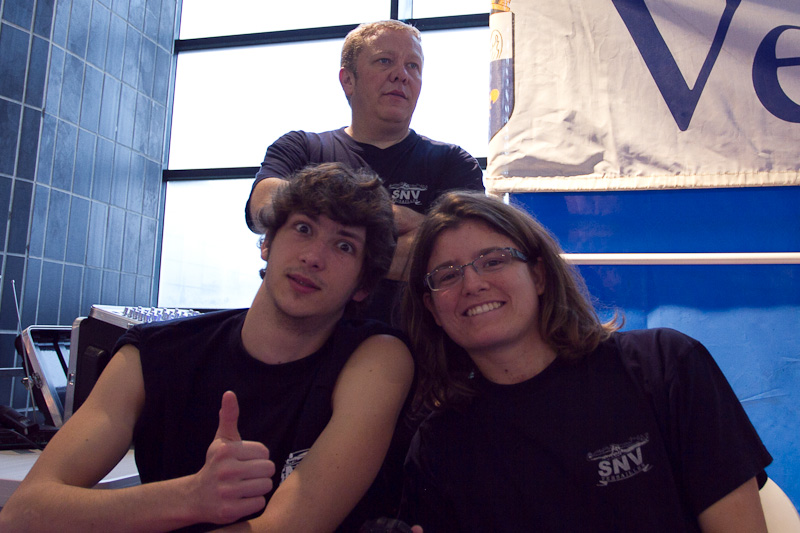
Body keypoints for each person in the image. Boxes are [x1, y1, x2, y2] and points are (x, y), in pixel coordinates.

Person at [0, 163, 415, 532]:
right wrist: (191, 497)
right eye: (303, 228)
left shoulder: (375, 359)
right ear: (267, 242)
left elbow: (285, 527)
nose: (313, 257)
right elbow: (22, 514)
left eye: (344, 246)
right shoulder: (151, 355)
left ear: (363, 285)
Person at [399, 190, 772, 532]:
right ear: (432, 308)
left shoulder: (665, 366)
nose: (472, 284)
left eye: (493, 261)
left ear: (539, 275)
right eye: (447, 275)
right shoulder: (438, 446)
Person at [245, 20, 484, 324]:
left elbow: (463, 250)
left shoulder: (453, 163)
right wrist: (410, 224)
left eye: (413, 66)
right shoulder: (301, 148)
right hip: (302, 338)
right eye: (385, 61)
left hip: (418, 342)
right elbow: (264, 207)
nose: (401, 74)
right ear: (348, 80)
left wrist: (330, 236)